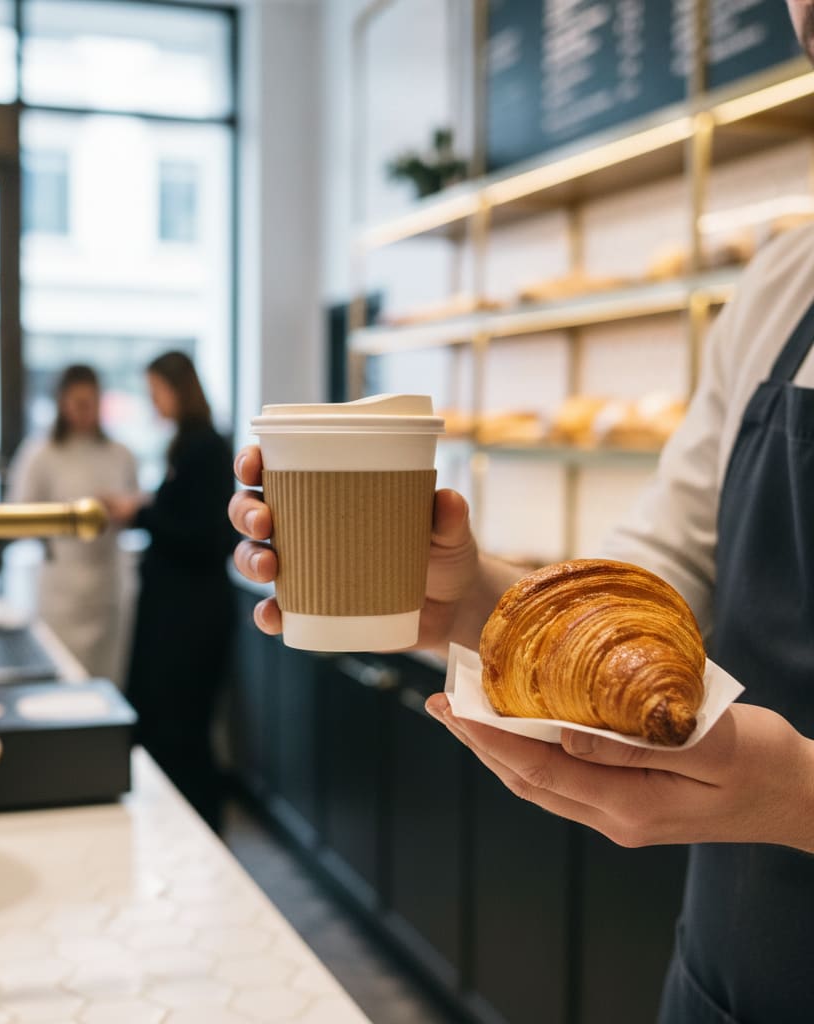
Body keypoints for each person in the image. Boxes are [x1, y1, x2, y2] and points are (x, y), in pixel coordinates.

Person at [231, 7, 814, 1020]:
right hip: (730, 973)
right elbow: (661, 575)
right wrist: (475, 600)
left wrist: (802, 798)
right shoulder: (782, 287)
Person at [104, 351, 237, 832]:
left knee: (182, 732)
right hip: (180, 611)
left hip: (189, 617)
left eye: (155, 390)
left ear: (178, 388)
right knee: (172, 728)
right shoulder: (190, 446)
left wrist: (139, 513)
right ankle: (184, 834)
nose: (152, 401)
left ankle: (197, 836)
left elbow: (205, 535)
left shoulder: (204, 447)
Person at [9, 364, 139, 681]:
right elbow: (19, 515)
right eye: (77, 403)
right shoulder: (41, 454)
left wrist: (121, 510)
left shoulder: (120, 454)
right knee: (63, 677)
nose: (84, 411)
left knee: (107, 678)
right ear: (62, 403)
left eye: (90, 403)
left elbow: (135, 509)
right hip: (60, 585)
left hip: (107, 583)